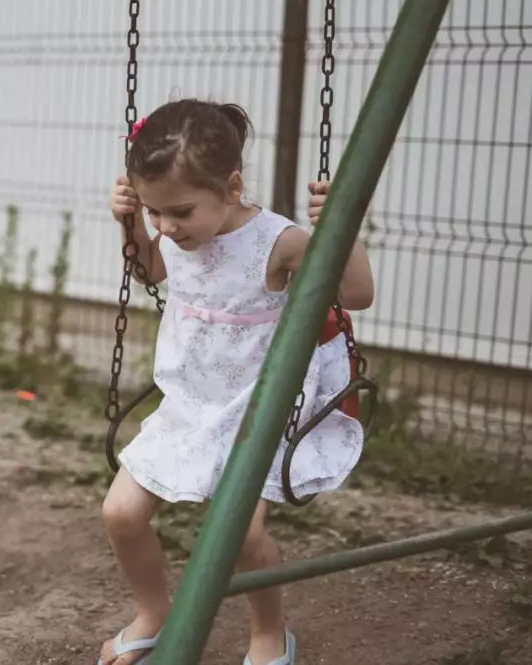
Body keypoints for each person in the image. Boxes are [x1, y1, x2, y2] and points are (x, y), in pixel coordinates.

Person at [98, 98, 374, 665]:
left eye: (178, 212)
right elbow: (148, 268)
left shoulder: (278, 242)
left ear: (231, 186)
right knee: (120, 514)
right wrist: (129, 222)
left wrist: (343, 230)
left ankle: (269, 632)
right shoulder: (174, 237)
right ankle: (154, 612)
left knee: (242, 537)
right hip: (191, 404)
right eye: (155, 214)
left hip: (257, 409)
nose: (167, 229)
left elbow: (356, 296)